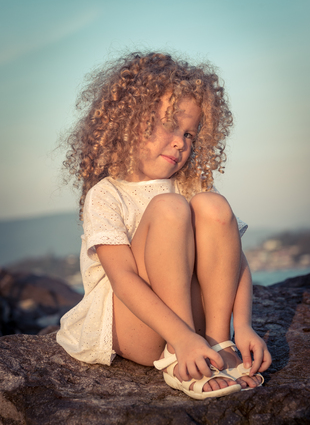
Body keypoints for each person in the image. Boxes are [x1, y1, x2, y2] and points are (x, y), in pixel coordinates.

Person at [57, 52, 271, 400]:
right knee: (170, 208)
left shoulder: (191, 185)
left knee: (213, 206)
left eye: (190, 135)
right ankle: (178, 349)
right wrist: (183, 337)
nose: (180, 143)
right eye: (170, 126)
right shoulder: (107, 194)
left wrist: (243, 324)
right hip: (138, 327)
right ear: (128, 123)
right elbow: (123, 280)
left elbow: (235, 261)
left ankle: (218, 341)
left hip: (198, 328)